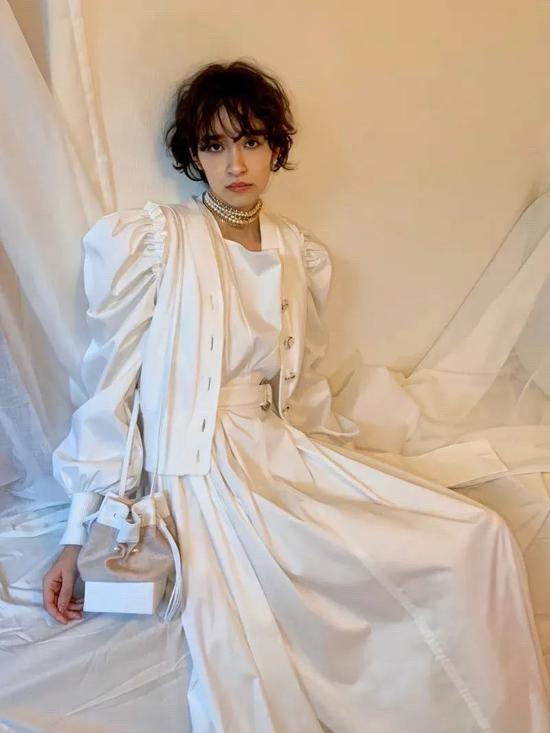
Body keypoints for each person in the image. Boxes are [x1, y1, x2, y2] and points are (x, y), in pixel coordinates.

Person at [42, 59, 550, 732]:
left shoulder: (294, 251)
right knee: (260, 648)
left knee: (475, 536)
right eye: (214, 145)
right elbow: (110, 388)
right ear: (193, 154)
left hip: (277, 450)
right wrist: (78, 535)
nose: (235, 163)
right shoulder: (156, 241)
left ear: (275, 147)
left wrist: (341, 471)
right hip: (200, 473)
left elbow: (301, 387)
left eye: (251, 140)